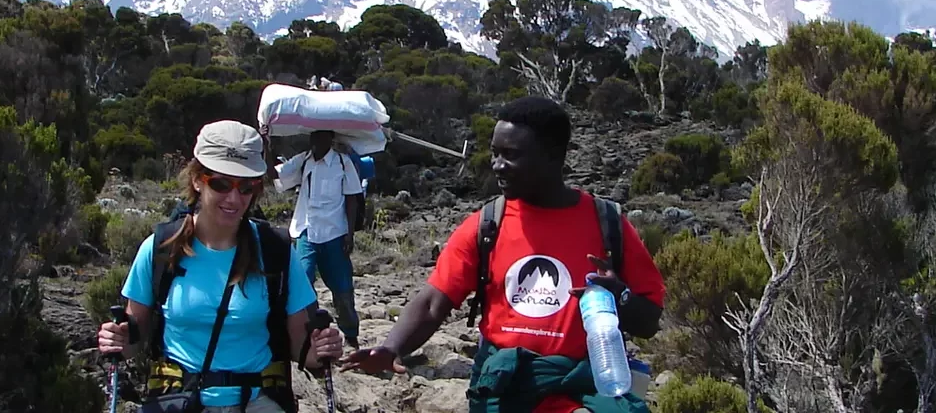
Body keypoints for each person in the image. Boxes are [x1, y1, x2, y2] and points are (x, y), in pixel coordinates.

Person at [339, 96, 667, 413]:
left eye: (511, 155)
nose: (497, 165)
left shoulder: (608, 224)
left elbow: (649, 321)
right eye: (494, 153)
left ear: (553, 156)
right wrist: (392, 347)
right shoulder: (487, 224)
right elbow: (433, 302)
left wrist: (619, 295)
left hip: (579, 389)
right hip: (502, 391)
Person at [97, 120, 343, 413]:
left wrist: (322, 349)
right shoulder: (160, 250)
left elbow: (303, 349)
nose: (234, 198)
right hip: (179, 402)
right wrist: (118, 339)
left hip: (256, 403)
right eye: (221, 184)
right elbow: (132, 340)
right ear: (198, 180)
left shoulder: (276, 252)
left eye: (246, 187)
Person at [263, 126, 363, 350]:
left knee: (342, 289)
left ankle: (351, 335)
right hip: (306, 231)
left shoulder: (343, 163)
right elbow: (274, 175)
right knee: (302, 284)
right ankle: (311, 332)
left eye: (323, 137)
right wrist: (266, 146)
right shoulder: (303, 161)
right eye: (315, 137)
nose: (318, 141)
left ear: (330, 139)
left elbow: (351, 200)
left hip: (334, 234)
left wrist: (349, 234)